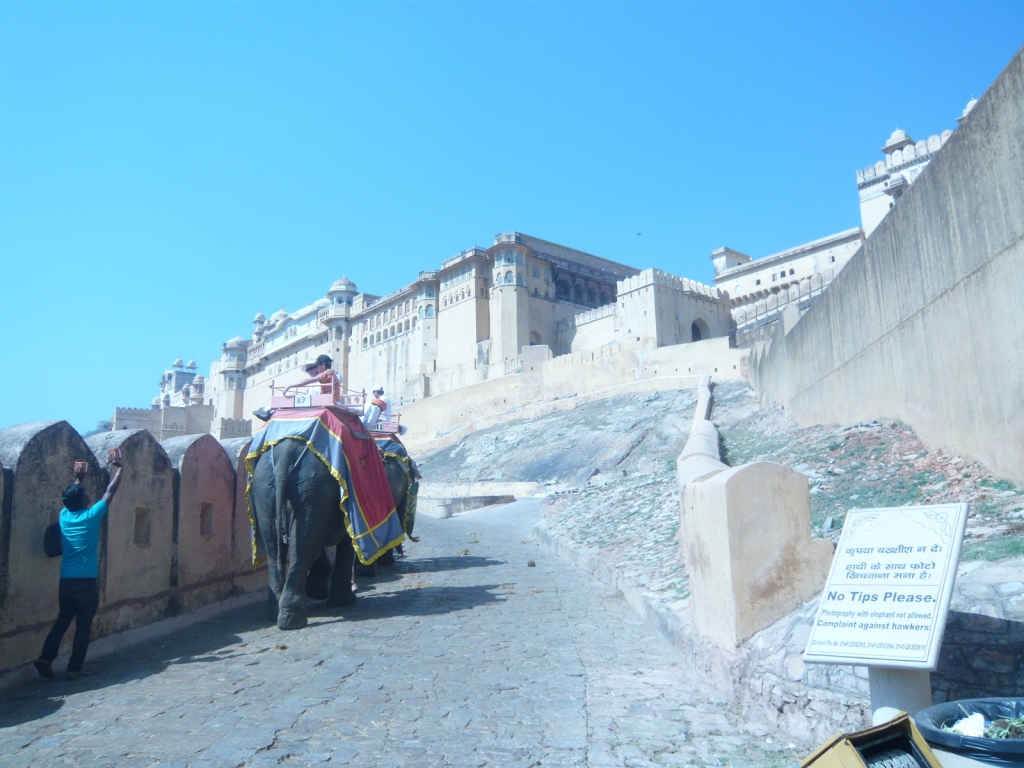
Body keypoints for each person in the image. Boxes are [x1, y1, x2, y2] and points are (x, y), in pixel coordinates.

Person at [34, 457, 124, 680]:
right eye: (84, 492)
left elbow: (71, 498)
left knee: (63, 620)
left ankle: (45, 658)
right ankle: (74, 668)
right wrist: (119, 468)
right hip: (86, 582)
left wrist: (78, 479)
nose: (87, 494)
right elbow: (110, 490)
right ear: (83, 500)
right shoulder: (91, 517)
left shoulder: (65, 516)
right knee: (83, 625)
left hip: (66, 581)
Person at [253, 354, 343, 421]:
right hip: (319, 400)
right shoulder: (330, 374)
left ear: (322, 365)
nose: (310, 371)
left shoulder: (326, 374)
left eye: (315, 367)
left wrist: (289, 386)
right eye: (308, 370)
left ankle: (269, 409)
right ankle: (270, 410)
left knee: (292, 397)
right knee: (294, 395)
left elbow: (307, 382)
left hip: (320, 402)